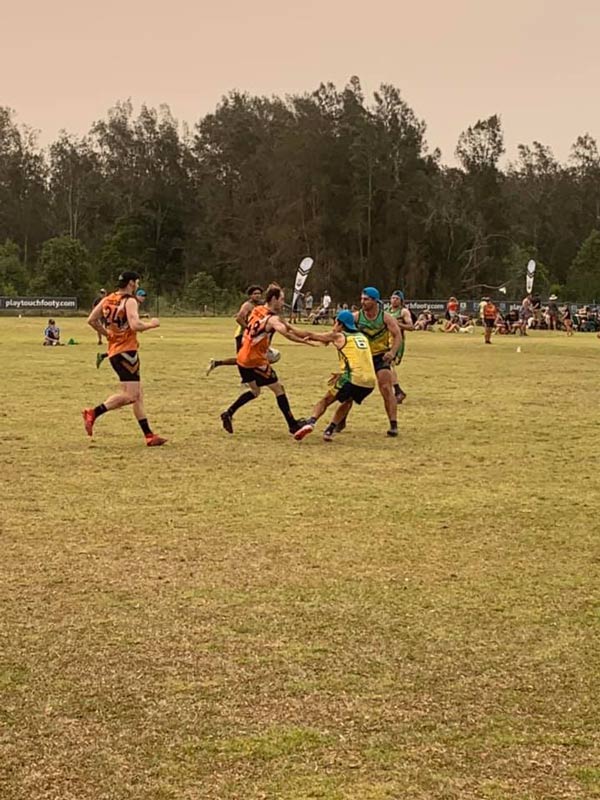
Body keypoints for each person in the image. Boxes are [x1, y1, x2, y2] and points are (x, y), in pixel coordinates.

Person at [82, 271, 167, 447]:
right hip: (127, 353)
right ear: (130, 283)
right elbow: (135, 325)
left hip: (115, 352)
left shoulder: (109, 299)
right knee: (131, 396)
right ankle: (93, 413)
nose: (137, 285)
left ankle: (149, 436)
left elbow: (92, 320)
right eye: (136, 282)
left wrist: (108, 335)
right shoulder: (130, 301)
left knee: (137, 395)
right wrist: (153, 324)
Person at [220, 283, 313, 435]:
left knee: (255, 391)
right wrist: (304, 341)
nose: (283, 303)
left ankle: (228, 413)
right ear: (274, 299)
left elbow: (288, 327)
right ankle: (293, 425)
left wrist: (308, 335)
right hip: (255, 361)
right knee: (278, 389)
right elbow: (287, 333)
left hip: (242, 357)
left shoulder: (257, 309)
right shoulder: (272, 319)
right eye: (282, 299)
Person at [293, 310, 376, 441]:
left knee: (325, 400)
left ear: (340, 324)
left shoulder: (339, 336)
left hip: (353, 378)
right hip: (370, 382)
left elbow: (311, 334)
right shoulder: (362, 337)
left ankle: (311, 422)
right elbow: (359, 359)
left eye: (335, 322)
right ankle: (329, 430)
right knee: (348, 401)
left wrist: (287, 327)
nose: (334, 326)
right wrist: (342, 373)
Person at [333, 287, 402, 438]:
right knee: (350, 391)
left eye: (366, 299)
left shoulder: (386, 318)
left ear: (375, 300)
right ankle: (341, 420)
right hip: (362, 358)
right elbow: (340, 332)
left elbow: (397, 335)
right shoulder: (356, 317)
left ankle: (393, 424)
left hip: (380, 357)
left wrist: (392, 352)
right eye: (362, 299)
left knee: (386, 387)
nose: (362, 302)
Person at [206, 285, 264, 375]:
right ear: (250, 295)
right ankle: (247, 379)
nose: (258, 295)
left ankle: (216, 363)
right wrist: (248, 328)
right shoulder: (247, 305)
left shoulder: (260, 305)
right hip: (242, 335)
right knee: (242, 359)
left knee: (248, 358)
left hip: (252, 336)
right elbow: (239, 318)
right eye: (255, 294)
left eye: (259, 294)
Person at [96, 289, 147, 368]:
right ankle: (104, 356)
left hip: (122, 327)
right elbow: (129, 316)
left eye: (144, 296)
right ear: (137, 296)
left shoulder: (133, 301)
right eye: (142, 296)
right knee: (122, 346)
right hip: (121, 329)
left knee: (131, 345)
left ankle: (103, 356)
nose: (144, 298)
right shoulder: (133, 302)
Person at [388, 290, 413, 403]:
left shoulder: (403, 312)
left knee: (388, 365)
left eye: (397, 298)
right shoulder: (386, 311)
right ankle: (397, 392)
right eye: (393, 298)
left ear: (401, 301)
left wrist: (397, 324)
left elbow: (411, 327)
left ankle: (398, 391)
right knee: (385, 367)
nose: (394, 300)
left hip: (397, 342)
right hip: (385, 341)